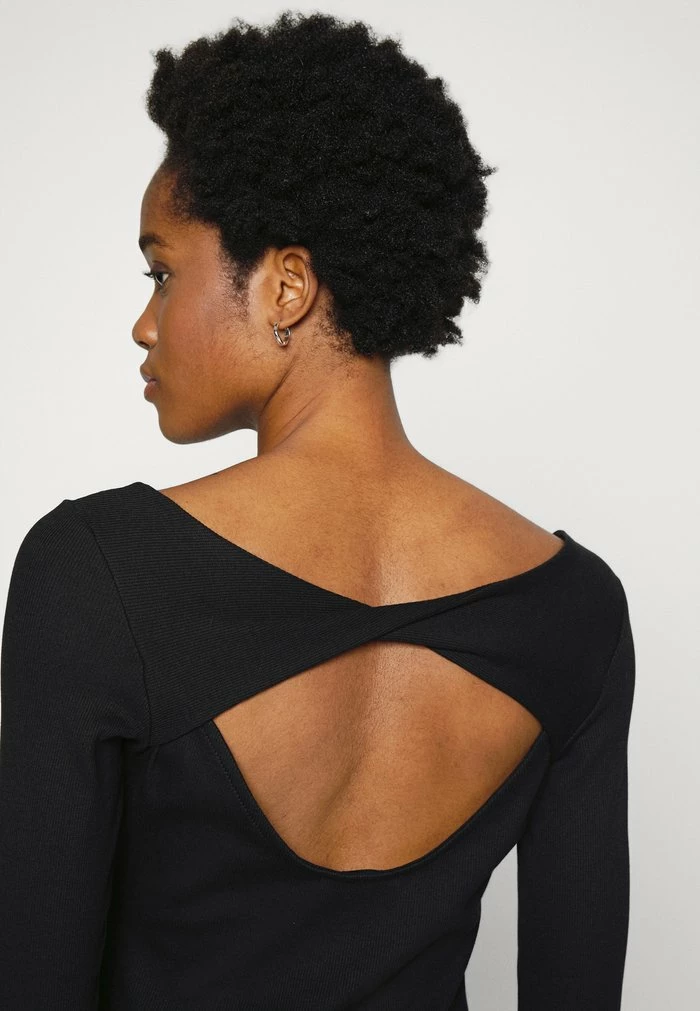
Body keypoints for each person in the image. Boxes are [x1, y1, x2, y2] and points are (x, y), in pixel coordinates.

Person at [0, 10, 635, 1010]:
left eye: (162, 272)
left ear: (287, 286)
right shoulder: (576, 611)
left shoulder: (96, 573)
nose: (143, 323)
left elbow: (36, 979)